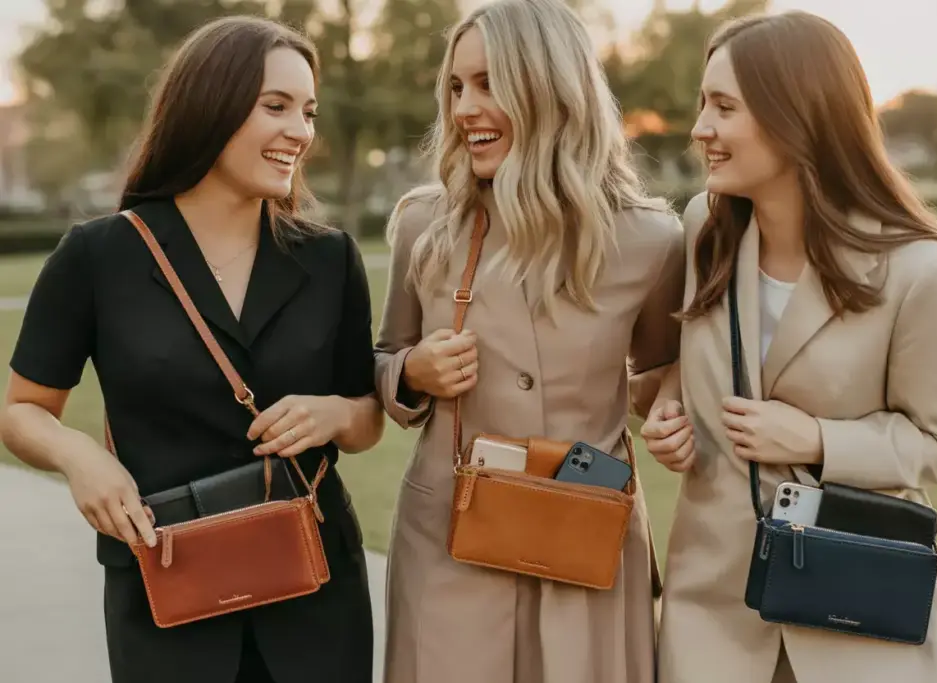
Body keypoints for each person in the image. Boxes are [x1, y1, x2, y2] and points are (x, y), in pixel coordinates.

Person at [0, 16, 382, 683]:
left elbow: (366, 416)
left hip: (315, 586)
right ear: (211, 104)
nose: (301, 130)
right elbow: (23, 410)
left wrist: (335, 414)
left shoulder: (330, 258)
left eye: (308, 111)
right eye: (277, 106)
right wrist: (79, 456)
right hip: (167, 591)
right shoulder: (96, 256)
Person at [635, 10, 937, 683]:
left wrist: (816, 438)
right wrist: (670, 411)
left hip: (858, 627)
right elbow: (690, 357)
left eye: (724, 107)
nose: (700, 127)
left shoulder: (921, 272)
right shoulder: (704, 225)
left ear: (797, 116)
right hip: (710, 622)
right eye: (703, 103)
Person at [372, 0, 685, 681]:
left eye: (488, 84)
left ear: (550, 89)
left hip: (588, 538)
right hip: (448, 543)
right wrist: (412, 373)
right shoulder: (423, 223)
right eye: (456, 87)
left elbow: (662, 370)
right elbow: (383, 363)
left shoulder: (653, 240)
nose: (464, 109)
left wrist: (669, 404)